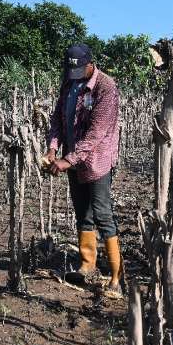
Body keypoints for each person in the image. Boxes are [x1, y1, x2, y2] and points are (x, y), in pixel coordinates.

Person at [45, 43, 121, 296]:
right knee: (82, 213)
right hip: (72, 159)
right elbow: (57, 118)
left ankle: (115, 276)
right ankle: (86, 265)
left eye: (78, 71)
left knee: (102, 214)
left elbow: (97, 133)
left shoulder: (106, 87)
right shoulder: (68, 82)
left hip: (96, 161)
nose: (73, 76)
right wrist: (52, 149)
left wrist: (69, 160)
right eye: (70, 72)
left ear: (91, 64)